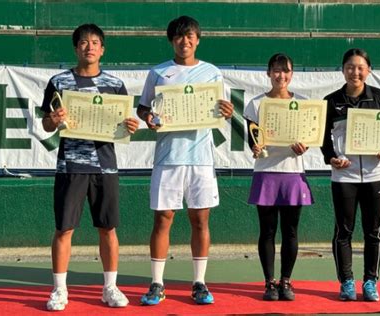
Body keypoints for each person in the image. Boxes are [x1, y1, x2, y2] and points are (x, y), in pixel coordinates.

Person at [40, 23, 139, 311]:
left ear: (102, 49)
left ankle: (110, 288)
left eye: (95, 42)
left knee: (108, 229)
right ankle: (59, 291)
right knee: (64, 229)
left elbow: (123, 127)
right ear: (76, 47)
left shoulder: (114, 85)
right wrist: (54, 120)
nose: (90, 47)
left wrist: (131, 126)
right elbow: (46, 124)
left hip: (105, 167)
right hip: (70, 166)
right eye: (84, 42)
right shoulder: (59, 82)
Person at [136, 15, 234, 306]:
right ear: (171, 41)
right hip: (167, 159)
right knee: (163, 219)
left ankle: (199, 283)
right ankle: (156, 283)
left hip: (201, 160)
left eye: (190, 36)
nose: (184, 41)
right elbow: (143, 109)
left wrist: (226, 110)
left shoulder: (212, 73)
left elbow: (220, 110)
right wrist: (149, 118)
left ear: (198, 39)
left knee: (200, 220)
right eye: (179, 36)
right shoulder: (158, 73)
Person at [321, 48, 380, 302]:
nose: (355, 72)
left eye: (361, 67)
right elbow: (323, 139)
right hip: (344, 176)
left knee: (374, 231)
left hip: (376, 174)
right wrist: (331, 158)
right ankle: (347, 282)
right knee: (344, 230)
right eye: (350, 67)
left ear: (369, 70)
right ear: (343, 70)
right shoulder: (331, 101)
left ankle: (371, 282)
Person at [243, 53, 314, 301]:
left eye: (285, 71)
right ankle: (269, 283)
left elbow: (310, 137)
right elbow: (253, 141)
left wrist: (304, 146)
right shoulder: (255, 104)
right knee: (267, 231)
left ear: (292, 74)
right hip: (266, 173)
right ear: (268, 73)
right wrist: (255, 148)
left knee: (291, 231)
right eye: (276, 70)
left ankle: (286, 281)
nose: (280, 75)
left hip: (294, 174)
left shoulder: (303, 103)